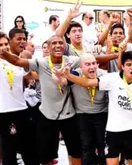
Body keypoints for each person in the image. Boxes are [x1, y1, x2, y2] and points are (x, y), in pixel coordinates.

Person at [0, 34, 82, 165]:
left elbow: (93, 60)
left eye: (60, 43)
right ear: (48, 48)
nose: (57, 46)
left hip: (68, 114)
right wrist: (5, 53)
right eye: (53, 43)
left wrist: (119, 53)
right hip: (45, 116)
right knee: (44, 156)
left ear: (64, 46)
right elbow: (17, 61)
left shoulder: (71, 60)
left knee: (76, 152)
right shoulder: (41, 62)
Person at [0, 30, 38, 165]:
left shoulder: (16, 62)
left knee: (29, 150)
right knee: (8, 152)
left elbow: (31, 75)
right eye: (0, 45)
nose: (3, 47)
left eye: (5, 44)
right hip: (4, 112)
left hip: (22, 109)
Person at [69, 53, 108, 165]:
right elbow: (60, 81)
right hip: (82, 115)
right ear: (81, 67)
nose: (92, 67)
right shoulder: (75, 75)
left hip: (102, 114)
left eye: (94, 63)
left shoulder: (103, 75)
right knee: (87, 148)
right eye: (87, 64)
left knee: (103, 148)